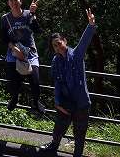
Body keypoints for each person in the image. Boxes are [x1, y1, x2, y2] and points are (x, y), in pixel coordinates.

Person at [40, 9, 97, 157]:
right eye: (55, 46)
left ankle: (77, 155)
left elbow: (84, 42)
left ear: (64, 41)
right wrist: (58, 103)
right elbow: (57, 83)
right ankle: (53, 146)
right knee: (59, 129)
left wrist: (90, 25)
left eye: (59, 43)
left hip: (81, 104)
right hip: (65, 102)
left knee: (79, 134)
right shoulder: (56, 61)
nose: (58, 47)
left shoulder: (76, 55)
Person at [1, 0, 45, 113]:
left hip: (30, 52)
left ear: (21, 1)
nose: (14, 2)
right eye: (11, 0)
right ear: (8, 3)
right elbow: (3, 38)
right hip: (13, 52)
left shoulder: (28, 14)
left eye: (16, 0)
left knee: (35, 80)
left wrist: (32, 14)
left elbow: (37, 30)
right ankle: (14, 98)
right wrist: (13, 48)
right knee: (12, 79)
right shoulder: (5, 18)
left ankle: (35, 102)